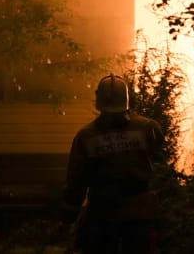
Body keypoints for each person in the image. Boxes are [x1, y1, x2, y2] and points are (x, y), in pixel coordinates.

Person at [63, 74, 163, 254]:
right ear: (126, 100)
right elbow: (160, 165)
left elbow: (76, 178)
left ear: (98, 100)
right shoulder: (149, 128)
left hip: (102, 214)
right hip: (138, 214)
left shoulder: (86, 136)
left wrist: (70, 213)